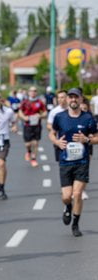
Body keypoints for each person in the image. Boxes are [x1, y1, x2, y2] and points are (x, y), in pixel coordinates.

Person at [48, 88, 98, 237]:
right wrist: (57, 142)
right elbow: (51, 132)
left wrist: (87, 140)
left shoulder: (88, 118)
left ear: (81, 99)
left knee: (77, 194)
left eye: (76, 97)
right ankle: (68, 207)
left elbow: (96, 137)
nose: (73, 100)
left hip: (82, 162)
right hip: (65, 161)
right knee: (66, 196)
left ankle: (75, 224)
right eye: (71, 97)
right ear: (67, 100)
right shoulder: (59, 117)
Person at [18, 86, 47, 167]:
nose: (33, 92)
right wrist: (24, 117)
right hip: (27, 125)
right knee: (28, 144)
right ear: (28, 92)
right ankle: (28, 151)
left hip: (37, 125)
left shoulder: (40, 102)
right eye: (31, 91)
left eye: (34, 91)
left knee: (35, 143)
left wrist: (40, 116)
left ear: (36, 92)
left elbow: (45, 112)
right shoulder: (25, 102)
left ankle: (34, 159)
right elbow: (20, 111)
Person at [47, 90, 68, 163]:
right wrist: (57, 128)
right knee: (62, 164)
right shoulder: (54, 111)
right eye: (59, 98)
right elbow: (49, 125)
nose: (60, 99)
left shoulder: (72, 109)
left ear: (67, 98)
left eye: (62, 97)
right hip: (60, 140)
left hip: (72, 140)